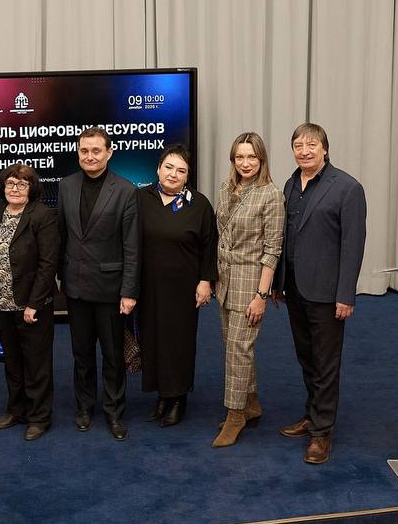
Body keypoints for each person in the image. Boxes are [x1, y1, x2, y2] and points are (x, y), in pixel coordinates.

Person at [274, 123, 367, 465]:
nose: (304, 151)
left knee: (326, 363)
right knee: (307, 357)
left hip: (327, 293)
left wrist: (346, 294)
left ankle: (322, 432)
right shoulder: (290, 185)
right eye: (298, 145)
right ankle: (312, 414)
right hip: (294, 289)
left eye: (311, 144)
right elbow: (285, 237)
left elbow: (353, 245)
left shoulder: (347, 188)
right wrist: (278, 282)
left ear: (325, 148)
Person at [56, 126, 140, 441]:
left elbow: (132, 247)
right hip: (76, 287)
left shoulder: (126, 190)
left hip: (111, 290)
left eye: (95, 150)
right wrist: (59, 278)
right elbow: (61, 235)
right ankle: (84, 407)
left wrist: (129, 292)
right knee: (81, 354)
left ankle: (114, 411)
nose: (89, 156)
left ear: (109, 152)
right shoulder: (66, 186)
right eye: (84, 151)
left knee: (114, 356)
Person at [136, 145, 217, 428]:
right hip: (147, 286)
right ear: (158, 168)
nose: (173, 174)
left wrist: (205, 281)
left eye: (181, 170)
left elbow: (209, 246)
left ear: (187, 176)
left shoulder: (199, 204)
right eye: (168, 167)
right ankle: (162, 395)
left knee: (178, 343)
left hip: (183, 288)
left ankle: (178, 398)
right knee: (153, 340)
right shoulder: (140, 198)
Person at [212, 133, 285, 448]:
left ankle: (235, 415)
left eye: (252, 157)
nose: (245, 163)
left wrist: (261, 295)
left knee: (238, 349)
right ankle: (251, 402)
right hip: (224, 281)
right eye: (240, 157)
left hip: (250, 283)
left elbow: (272, 250)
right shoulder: (226, 188)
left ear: (261, 159)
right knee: (234, 346)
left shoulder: (271, 195)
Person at [0, 164, 59, 440]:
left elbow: (48, 264)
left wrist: (34, 304)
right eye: (10, 183)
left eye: (22, 184)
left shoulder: (42, 215)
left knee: (36, 363)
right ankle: (16, 409)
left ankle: (39, 417)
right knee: (12, 361)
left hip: (31, 304)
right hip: (1, 302)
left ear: (32, 188)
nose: (14, 189)